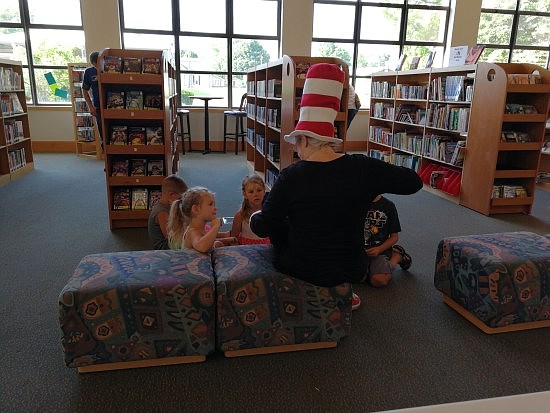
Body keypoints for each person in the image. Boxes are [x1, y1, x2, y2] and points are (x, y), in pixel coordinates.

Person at [249, 63, 423, 310]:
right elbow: (413, 182)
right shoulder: (363, 167)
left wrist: (258, 214)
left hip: (302, 266)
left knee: (279, 222)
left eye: (297, 143)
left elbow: (263, 226)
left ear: (306, 139)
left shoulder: (291, 176)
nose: (297, 150)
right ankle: (343, 292)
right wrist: (371, 184)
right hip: (353, 266)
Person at [167, 186, 236, 252]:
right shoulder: (192, 231)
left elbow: (209, 242)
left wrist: (217, 244)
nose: (215, 208)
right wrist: (215, 227)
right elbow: (202, 247)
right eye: (210, 204)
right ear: (196, 209)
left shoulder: (201, 230)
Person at [364, 195, 412, 287]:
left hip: (381, 250)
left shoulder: (388, 206)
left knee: (379, 280)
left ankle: (397, 256)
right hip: (359, 250)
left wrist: (379, 249)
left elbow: (394, 237)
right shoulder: (355, 203)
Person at [148, 175, 188, 250]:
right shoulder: (161, 212)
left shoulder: (168, 205)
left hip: (174, 241)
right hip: (166, 248)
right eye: (180, 198)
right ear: (171, 195)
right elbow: (171, 237)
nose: (182, 202)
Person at [230, 174, 271, 245]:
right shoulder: (240, 215)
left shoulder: (269, 213)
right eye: (251, 192)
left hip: (266, 248)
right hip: (246, 250)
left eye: (259, 190)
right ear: (245, 194)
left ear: (264, 191)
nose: (256, 194)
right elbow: (233, 239)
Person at [82, 51, 102, 147]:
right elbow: (85, 91)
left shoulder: (107, 69)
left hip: (112, 106)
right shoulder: (89, 72)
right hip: (98, 107)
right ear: (93, 63)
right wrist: (91, 107)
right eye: (97, 63)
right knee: (102, 132)